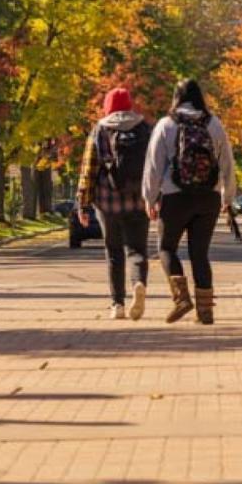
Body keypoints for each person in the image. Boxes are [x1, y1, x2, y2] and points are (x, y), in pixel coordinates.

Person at [143, 78, 237, 325]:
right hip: (209, 198)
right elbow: (227, 162)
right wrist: (228, 196)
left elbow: (153, 166)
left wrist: (150, 198)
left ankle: (181, 298)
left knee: (166, 248)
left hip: (175, 197)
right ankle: (205, 312)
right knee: (200, 253)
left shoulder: (166, 125)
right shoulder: (214, 123)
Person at [76, 87, 152, 320]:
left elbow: (89, 169)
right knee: (137, 250)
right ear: (129, 104)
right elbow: (155, 165)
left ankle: (117, 304)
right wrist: (156, 197)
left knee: (113, 252)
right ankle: (138, 283)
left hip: (107, 203)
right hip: (139, 201)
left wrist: (83, 204)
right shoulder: (145, 129)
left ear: (108, 106)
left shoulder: (100, 129)